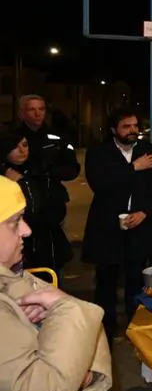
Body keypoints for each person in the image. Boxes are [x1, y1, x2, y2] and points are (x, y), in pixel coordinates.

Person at [0, 175, 113, 391]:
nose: (26, 230)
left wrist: (78, 376)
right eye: (14, 221)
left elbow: (91, 340)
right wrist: (68, 309)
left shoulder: (16, 280)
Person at [82, 109, 152, 342]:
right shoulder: (99, 153)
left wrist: (145, 212)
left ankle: (135, 326)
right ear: (113, 130)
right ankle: (105, 330)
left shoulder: (148, 151)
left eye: (134, 126)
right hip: (108, 227)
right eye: (126, 126)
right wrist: (132, 169)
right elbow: (101, 184)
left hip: (140, 225)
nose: (132, 131)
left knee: (136, 279)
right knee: (107, 280)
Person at [4, 95, 80, 277]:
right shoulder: (10, 138)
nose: (38, 113)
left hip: (52, 204)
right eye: (32, 109)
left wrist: (50, 172)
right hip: (20, 206)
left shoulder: (58, 138)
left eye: (41, 109)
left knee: (53, 254)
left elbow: (72, 169)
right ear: (22, 113)